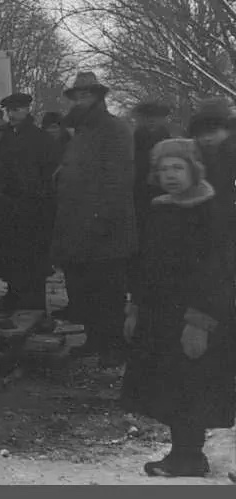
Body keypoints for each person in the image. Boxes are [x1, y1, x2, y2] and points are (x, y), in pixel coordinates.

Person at [121, 138, 235, 478]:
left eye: (178, 167)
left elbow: (218, 271)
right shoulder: (159, 209)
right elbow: (145, 263)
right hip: (161, 314)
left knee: (194, 385)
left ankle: (190, 455)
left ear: (194, 170)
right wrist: (135, 308)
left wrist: (200, 321)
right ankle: (183, 455)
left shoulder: (212, 212)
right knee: (172, 385)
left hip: (198, 313)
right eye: (164, 168)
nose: (170, 175)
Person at [51, 72, 136, 368]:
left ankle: (115, 346)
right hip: (76, 226)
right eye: (76, 96)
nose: (79, 100)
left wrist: (102, 220)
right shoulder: (79, 131)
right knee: (82, 289)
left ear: (99, 97)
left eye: (86, 95)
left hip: (105, 228)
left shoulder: (114, 129)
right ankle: (94, 340)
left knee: (108, 290)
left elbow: (118, 180)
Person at [0, 93, 58, 314]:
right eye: (9, 110)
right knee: (13, 258)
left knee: (34, 261)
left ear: (27, 109)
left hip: (34, 209)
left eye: (16, 110)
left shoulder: (41, 139)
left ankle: (34, 307)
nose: (11, 114)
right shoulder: (7, 138)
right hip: (11, 208)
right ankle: (14, 298)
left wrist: (37, 198)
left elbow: (49, 175)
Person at [187, 98, 236, 250]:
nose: (207, 138)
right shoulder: (194, 156)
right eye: (201, 134)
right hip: (203, 220)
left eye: (213, 132)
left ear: (227, 131)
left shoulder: (231, 154)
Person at [132, 102, 171, 239]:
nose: (152, 120)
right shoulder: (134, 139)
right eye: (147, 117)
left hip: (164, 188)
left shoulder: (169, 140)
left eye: (156, 116)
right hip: (139, 189)